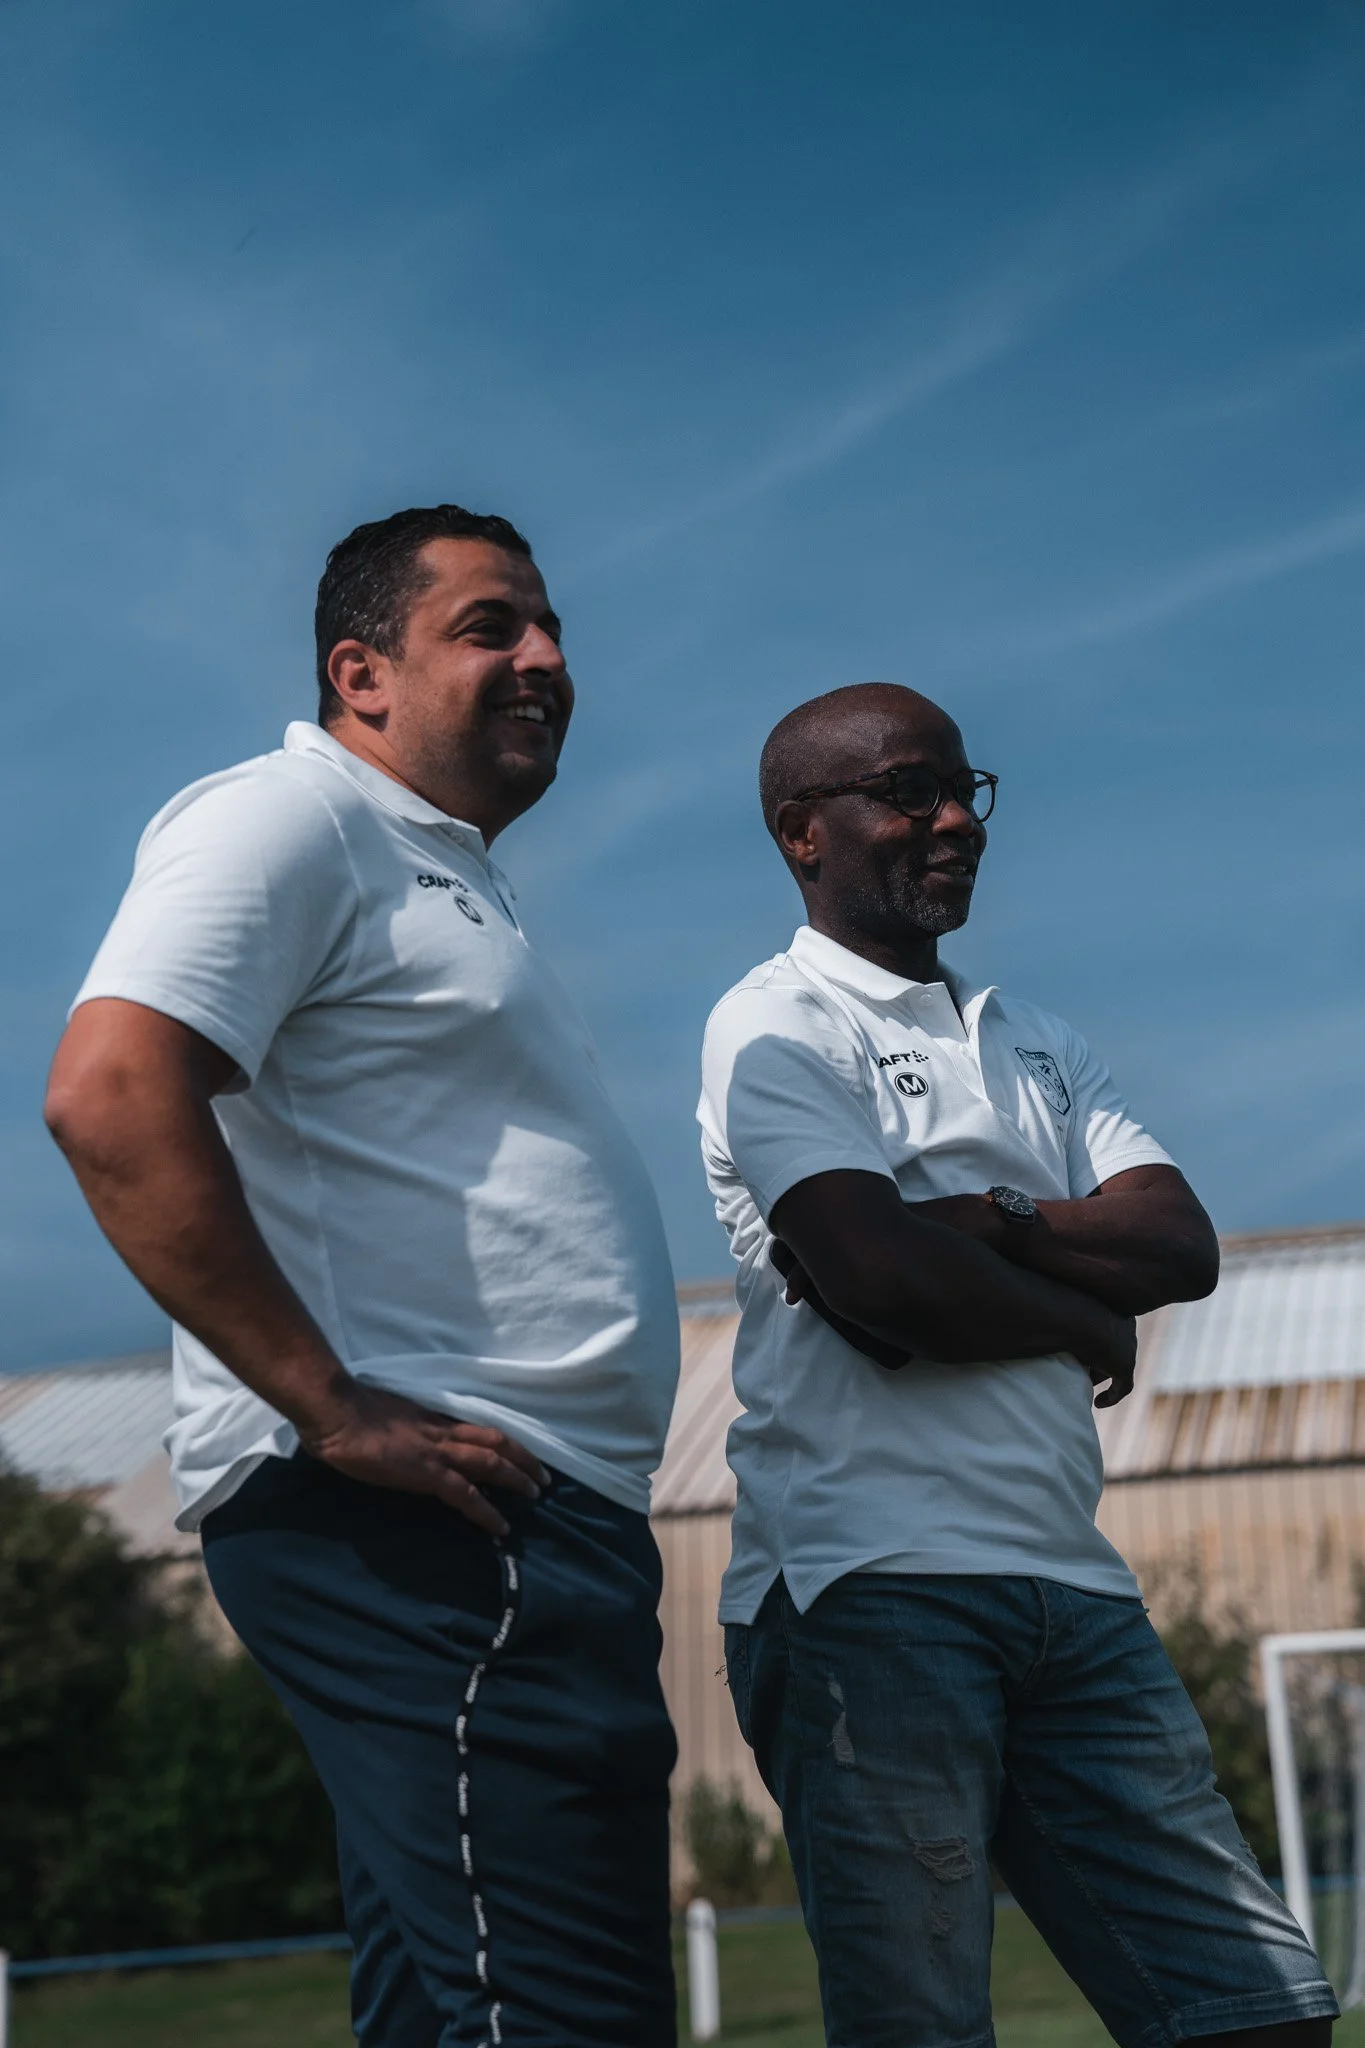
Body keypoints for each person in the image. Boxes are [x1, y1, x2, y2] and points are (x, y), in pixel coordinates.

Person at [46, 504, 681, 2048]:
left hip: (514, 1525)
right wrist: (331, 1409)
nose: (545, 658)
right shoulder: (292, 816)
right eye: (490, 628)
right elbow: (111, 1091)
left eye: (549, 629)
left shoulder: (439, 870)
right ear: (363, 672)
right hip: (434, 1525)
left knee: (448, 2014)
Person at [697, 681, 1337, 2048]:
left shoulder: (1040, 1037)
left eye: (965, 789)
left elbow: (1178, 1242)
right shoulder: (773, 1028)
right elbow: (874, 1283)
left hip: (1071, 1586)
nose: (952, 820)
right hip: (867, 1590)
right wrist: (1086, 1319)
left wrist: (984, 1219)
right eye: (910, 790)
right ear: (803, 831)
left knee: (1257, 2011)